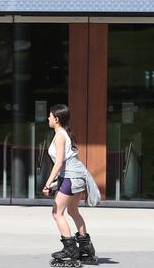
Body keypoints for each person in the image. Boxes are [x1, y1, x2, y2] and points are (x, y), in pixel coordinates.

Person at [42, 104, 97, 267]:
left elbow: (59, 163)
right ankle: (86, 248)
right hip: (76, 176)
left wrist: (47, 183)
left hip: (71, 177)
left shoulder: (60, 135)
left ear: (56, 119)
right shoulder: (64, 133)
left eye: (50, 116)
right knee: (73, 211)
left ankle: (70, 250)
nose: (48, 118)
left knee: (57, 213)